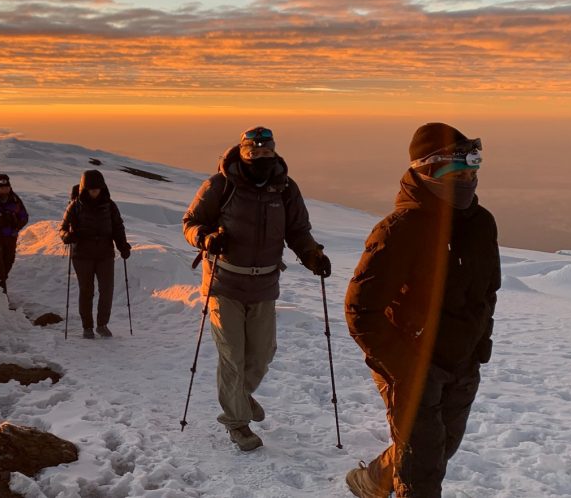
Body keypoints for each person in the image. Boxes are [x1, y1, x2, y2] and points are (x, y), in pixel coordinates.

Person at [344, 122, 500, 498]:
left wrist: (480, 346)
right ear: (428, 172)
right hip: (412, 365)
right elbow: (360, 309)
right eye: (458, 175)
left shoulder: (481, 223)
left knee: (441, 448)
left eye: (472, 173)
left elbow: (486, 291)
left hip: (461, 361)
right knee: (422, 472)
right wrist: (405, 366)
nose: (468, 181)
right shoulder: (401, 229)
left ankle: (373, 480)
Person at [182, 126, 330, 451]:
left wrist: (312, 255)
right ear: (243, 153)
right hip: (224, 283)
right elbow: (190, 223)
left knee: (261, 356)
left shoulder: (285, 188)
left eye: (266, 153)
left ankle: (240, 397)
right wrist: (206, 238)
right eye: (254, 153)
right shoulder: (220, 185)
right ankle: (237, 422)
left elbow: (298, 231)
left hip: (264, 284)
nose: (260, 158)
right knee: (232, 356)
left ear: (274, 152)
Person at [60, 170, 131, 339]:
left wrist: (123, 246)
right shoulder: (75, 206)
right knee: (87, 291)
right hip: (82, 255)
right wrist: (68, 236)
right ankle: (87, 327)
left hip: (105, 254)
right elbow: (62, 229)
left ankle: (102, 324)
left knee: (107, 290)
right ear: (85, 189)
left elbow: (118, 227)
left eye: (97, 189)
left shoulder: (110, 205)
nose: (95, 192)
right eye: (91, 189)